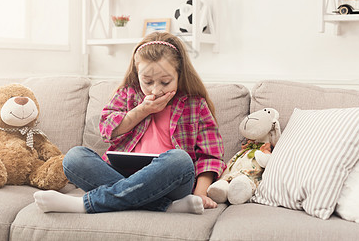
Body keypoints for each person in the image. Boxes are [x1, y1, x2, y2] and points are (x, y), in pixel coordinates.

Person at [34, 31, 226, 214]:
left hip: (170, 181)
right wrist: (142, 110)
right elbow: (106, 129)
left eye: (165, 82)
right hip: (121, 175)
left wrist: (200, 193)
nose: (155, 90)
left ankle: (85, 205)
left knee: (180, 159)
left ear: (180, 75)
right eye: (147, 81)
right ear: (137, 74)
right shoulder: (127, 94)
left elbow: (211, 156)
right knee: (74, 157)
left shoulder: (195, 104)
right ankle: (167, 206)